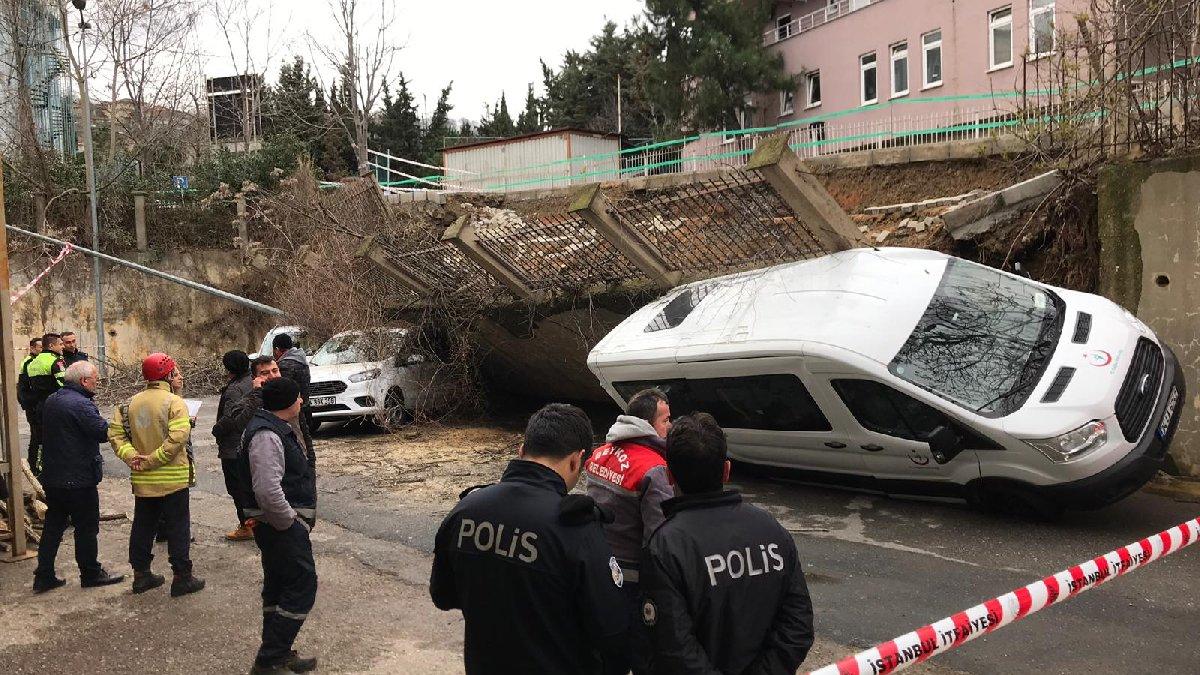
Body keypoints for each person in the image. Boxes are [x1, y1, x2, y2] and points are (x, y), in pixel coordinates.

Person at [430, 403, 628, 675]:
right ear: (576, 460)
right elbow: (612, 630)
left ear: (521, 451)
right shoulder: (576, 528)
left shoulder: (466, 511)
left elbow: (443, 596)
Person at [640, 414, 814, 674]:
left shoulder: (666, 547)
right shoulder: (771, 529)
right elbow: (798, 625)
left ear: (669, 476)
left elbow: (674, 648)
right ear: (726, 470)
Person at [585, 388, 674, 674]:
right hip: (633, 580)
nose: (670, 426)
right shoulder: (654, 469)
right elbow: (658, 537)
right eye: (666, 420)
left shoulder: (600, 453)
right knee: (638, 653)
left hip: (598, 565)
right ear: (648, 424)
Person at [239, 378, 318, 675]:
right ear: (288, 402)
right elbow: (267, 491)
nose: (301, 402)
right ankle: (270, 657)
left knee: (279, 587)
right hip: (279, 526)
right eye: (298, 398)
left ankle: (277, 653)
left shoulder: (271, 427)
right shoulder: (267, 435)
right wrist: (291, 522)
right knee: (302, 584)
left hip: (276, 526)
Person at [109, 352, 205, 597]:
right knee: (178, 528)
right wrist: (154, 460)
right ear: (169, 374)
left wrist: (134, 458)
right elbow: (178, 438)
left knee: (143, 525)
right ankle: (182, 577)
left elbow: (116, 436)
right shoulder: (174, 403)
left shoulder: (127, 404)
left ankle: (141, 575)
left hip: (143, 479)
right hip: (173, 478)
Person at [32, 361, 125, 593]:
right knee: (86, 527)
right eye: (95, 380)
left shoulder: (53, 399)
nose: (97, 383)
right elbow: (103, 432)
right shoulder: (81, 405)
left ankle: (44, 574)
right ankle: (90, 573)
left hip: (54, 477)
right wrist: (121, 421)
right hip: (79, 478)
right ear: (84, 381)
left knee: (53, 525)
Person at [215, 356, 314, 475]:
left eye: (275, 371)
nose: (272, 376)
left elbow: (303, 430)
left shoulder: (290, 394)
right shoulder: (249, 399)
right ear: (254, 378)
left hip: (296, 463)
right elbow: (237, 424)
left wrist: (311, 462)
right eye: (265, 373)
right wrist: (257, 394)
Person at [213, 350, 255, 541]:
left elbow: (230, 417)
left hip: (233, 447)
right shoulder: (252, 381)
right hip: (250, 442)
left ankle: (247, 526)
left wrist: (217, 429)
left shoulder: (234, 389)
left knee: (237, 489)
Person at [24, 333, 65, 476]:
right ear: (52, 346)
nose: (62, 346)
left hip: (38, 407)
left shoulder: (32, 362)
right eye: (60, 344)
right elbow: (63, 384)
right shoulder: (56, 361)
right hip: (55, 406)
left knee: (41, 441)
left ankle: (40, 470)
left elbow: (25, 386)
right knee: (57, 440)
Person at [272, 333, 312, 438]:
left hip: (290, 410)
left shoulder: (284, 365)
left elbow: (282, 390)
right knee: (305, 438)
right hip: (304, 405)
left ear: (277, 349)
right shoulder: (301, 360)